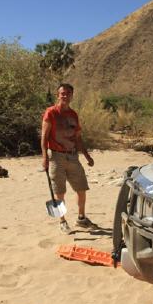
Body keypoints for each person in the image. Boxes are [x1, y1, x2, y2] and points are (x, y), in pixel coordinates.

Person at [41, 83, 95, 234]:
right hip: (56, 156)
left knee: (82, 188)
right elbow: (44, 137)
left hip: (72, 156)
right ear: (57, 95)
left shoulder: (73, 115)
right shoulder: (50, 113)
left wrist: (87, 155)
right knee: (59, 192)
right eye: (62, 93)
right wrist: (44, 157)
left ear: (72, 96)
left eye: (68, 93)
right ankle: (62, 221)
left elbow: (78, 138)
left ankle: (81, 218)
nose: (65, 96)